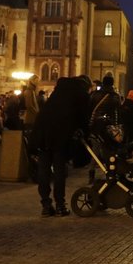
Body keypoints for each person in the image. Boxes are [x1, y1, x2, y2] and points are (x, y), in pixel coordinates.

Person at [32, 76, 92, 217]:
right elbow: (83, 118)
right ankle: (60, 205)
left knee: (44, 170)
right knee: (59, 170)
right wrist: (86, 133)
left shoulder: (58, 92)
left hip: (43, 133)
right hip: (60, 136)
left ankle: (46, 205)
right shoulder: (81, 95)